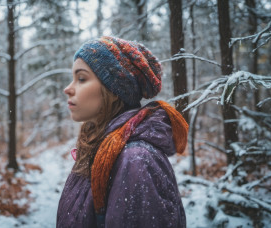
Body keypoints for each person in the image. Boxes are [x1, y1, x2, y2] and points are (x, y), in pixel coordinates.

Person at [57, 36, 188, 228]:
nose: (67, 89)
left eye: (82, 78)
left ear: (113, 89)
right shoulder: (97, 148)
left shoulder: (137, 161)